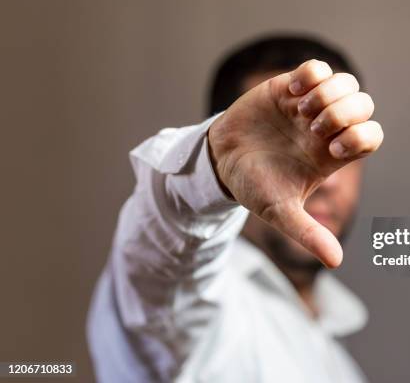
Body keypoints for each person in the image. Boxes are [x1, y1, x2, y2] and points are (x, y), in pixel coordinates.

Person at [87, 34, 384, 382]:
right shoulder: (195, 313)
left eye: (339, 145)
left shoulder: (333, 344)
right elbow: (162, 270)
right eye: (287, 150)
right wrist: (211, 167)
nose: (328, 181)